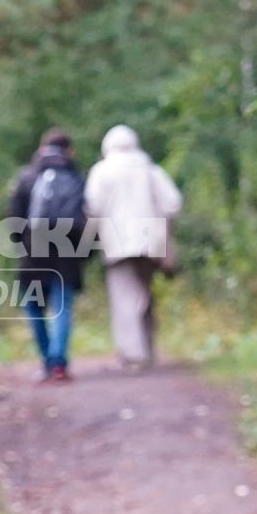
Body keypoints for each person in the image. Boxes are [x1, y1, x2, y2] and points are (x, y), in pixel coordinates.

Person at [84, 125, 182, 369]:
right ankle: (148, 349)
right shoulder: (149, 169)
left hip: (116, 243)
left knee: (124, 297)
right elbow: (172, 203)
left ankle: (133, 354)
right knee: (144, 294)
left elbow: (92, 207)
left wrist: (91, 237)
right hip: (150, 241)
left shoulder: (101, 171)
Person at [5, 127, 88, 382]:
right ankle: (58, 363)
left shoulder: (27, 177)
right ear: (69, 150)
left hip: (34, 251)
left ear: (42, 148)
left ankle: (46, 361)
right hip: (67, 252)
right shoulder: (77, 179)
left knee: (33, 306)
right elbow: (88, 219)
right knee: (62, 307)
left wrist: (21, 243)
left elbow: (13, 218)